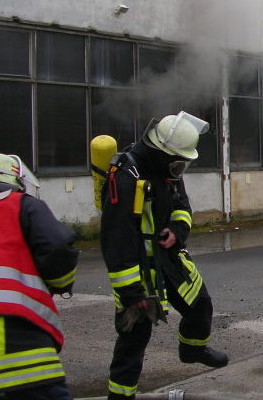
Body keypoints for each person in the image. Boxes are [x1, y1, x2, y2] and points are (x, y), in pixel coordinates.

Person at [100, 111, 228, 400]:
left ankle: (193, 348)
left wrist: (176, 230)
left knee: (200, 304)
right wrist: (131, 293)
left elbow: (182, 205)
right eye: (178, 161)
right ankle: (120, 395)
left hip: (168, 257)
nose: (181, 168)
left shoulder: (167, 169)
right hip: (137, 269)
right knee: (135, 336)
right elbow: (115, 238)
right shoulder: (125, 176)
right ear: (161, 152)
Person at [0, 153, 78, 400]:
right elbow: (58, 247)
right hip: (25, 351)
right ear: (13, 181)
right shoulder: (21, 203)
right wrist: (60, 284)